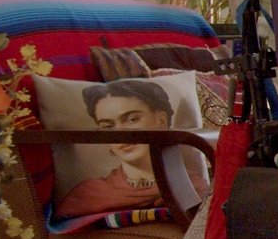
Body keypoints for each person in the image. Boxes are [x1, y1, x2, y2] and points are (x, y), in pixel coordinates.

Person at [58, 79, 211, 217]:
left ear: (161, 120)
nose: (120, 133)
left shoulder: (193, 187)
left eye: (132, 119)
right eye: (108, 126)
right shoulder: (88, 195)